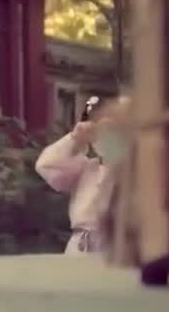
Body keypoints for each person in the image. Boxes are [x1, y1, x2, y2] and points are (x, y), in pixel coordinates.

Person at [35, 95, 130, 255]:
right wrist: (74, 139)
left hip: (116, 247)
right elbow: (46, 165)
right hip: (80, 245)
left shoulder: (136, 170)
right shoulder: (86, 167)